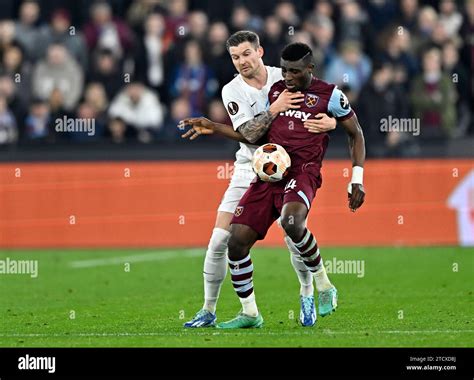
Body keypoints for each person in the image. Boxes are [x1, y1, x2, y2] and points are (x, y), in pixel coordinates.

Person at [181, 42, 365, 329]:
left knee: (291, 226)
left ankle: (320, 285)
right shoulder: (274, 92)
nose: (288, 78)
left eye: (294, 72)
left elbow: (355, 131)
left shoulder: (330, 95)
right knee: (235, 241)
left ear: (309, 69)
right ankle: (249, 314)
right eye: (286, 73)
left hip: (302, 171)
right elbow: (253, 136)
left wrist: (356, 177)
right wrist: (215, 127)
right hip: (265, 171)